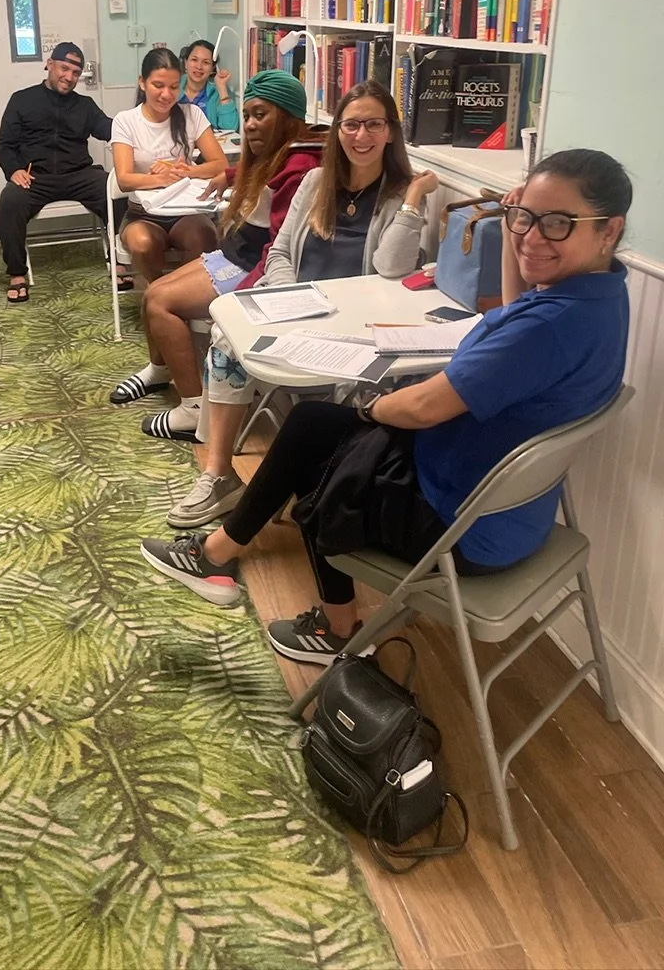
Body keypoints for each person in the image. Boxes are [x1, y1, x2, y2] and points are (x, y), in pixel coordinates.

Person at [139, 149, 632, 672]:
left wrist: (373, 409)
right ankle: (220, 554)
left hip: (459, 525)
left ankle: (330, 624)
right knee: (314, 424)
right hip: (505, 511)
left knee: (323, 451)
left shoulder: (549, 327)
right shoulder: (595, 298)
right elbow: (512, 313)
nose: (533, 237)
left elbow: (422, 407)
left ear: (608, 230)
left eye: (557, 224)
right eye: (524, 217)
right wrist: (515, 233)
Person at [152, 79, 438, 487]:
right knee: (225, 335)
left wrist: (414, 195)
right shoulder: (315, 182)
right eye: (351, 125)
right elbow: (280, 252)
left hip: (355, 327)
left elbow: (390, 267)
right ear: (337, 131)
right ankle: (218, 474)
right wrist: (290, 298)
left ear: (390, 131)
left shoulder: (397, 197)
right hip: (300, 310)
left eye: (374, 125)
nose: (361, 136)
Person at [109, 71, 324, 438]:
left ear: (288, 118)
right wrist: (230, 172)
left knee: (160, 301)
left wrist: (247, 295)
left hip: (251, 267)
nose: (251, 125)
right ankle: (160, 371)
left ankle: (193, 409)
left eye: (261, 115)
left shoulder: (300, 170)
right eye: (248, 116)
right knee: (152, 294)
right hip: (237, 254)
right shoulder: (280, 155)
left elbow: (281, 247)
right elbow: (260, 169)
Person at [0, 41, 127, 305]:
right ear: (50, 64)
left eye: (75, 73)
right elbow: (5, 145)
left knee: (118, 191)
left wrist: (140, 125)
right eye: (64, 68)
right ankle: (18, 274)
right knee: (10, 202)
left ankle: (121, 261)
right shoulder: (21, 100)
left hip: (78, 174)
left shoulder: (85, 105)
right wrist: (14, 170)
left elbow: (112, 130)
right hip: (36, 177)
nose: (68, 77)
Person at [111, 47, 227, 284]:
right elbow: (124, 180)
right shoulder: (126, 121)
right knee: (142, 244)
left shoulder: (192, 114)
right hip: (143, 214)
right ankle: (159, 291)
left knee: (205, 237)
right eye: (158, 85)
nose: (166, 94)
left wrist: (187, 171)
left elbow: (220, 165)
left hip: (186, 212)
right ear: (142, 83)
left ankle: (180, 294)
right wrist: (165, 176)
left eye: (174, 87)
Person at [178, 39, 239, 133]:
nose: (199, 66)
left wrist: (222, 88)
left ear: (212, 68)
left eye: (206, 62)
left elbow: (230, 129)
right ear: (186, 63)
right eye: (194, 60)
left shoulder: (216, 91)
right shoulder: (173, 86)